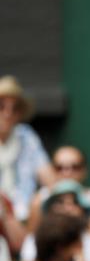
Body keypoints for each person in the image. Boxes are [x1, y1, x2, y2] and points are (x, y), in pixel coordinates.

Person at [0, 75, 55, 221]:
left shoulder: (26, 136)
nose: (7, 113)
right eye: (1, 105)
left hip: (25, 219)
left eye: (15, 108)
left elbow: (50, 180)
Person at [27, 146, 90, 237]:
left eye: (75, 167)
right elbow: (31, 242)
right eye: (60, 168)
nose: (67, 173)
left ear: (84, 170)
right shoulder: (39, 200)